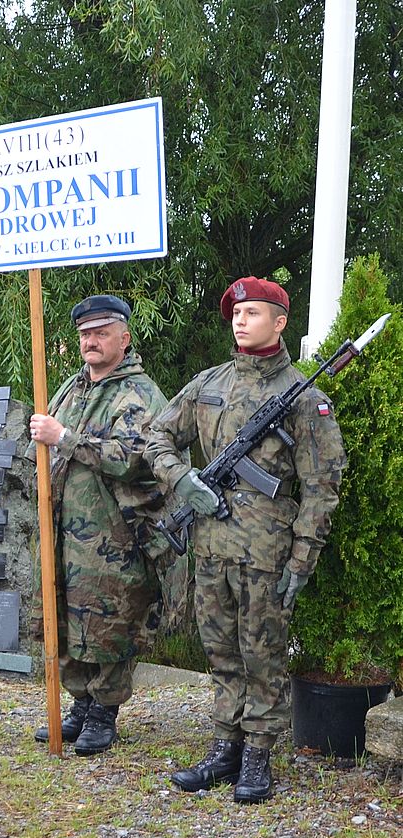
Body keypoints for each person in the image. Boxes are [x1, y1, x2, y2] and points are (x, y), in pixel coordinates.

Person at [144, 277, 345, 803]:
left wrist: (301, 561)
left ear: (280, 322)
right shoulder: (208, 383)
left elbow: (321, 488)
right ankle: (225, 746)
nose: (240, 320)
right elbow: (157, 435)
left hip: (266, 553)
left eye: (252, 312)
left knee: (263, 653)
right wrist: (181, 479)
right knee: (221, 651)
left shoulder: (304, 398)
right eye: (236, 312)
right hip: (211, 545)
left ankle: (258, 753)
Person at [27, 295, 172, 755]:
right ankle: (80, 704)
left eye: (101, 333)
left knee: (111, 618)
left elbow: (133, 459)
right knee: (67, 614)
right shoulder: (72, 388)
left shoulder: (139, 394)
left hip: (115, 532)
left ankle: (104, 712)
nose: (91, 341)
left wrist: (65, 438)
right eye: (85, 334)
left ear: (124, 339)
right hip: (65, 530)